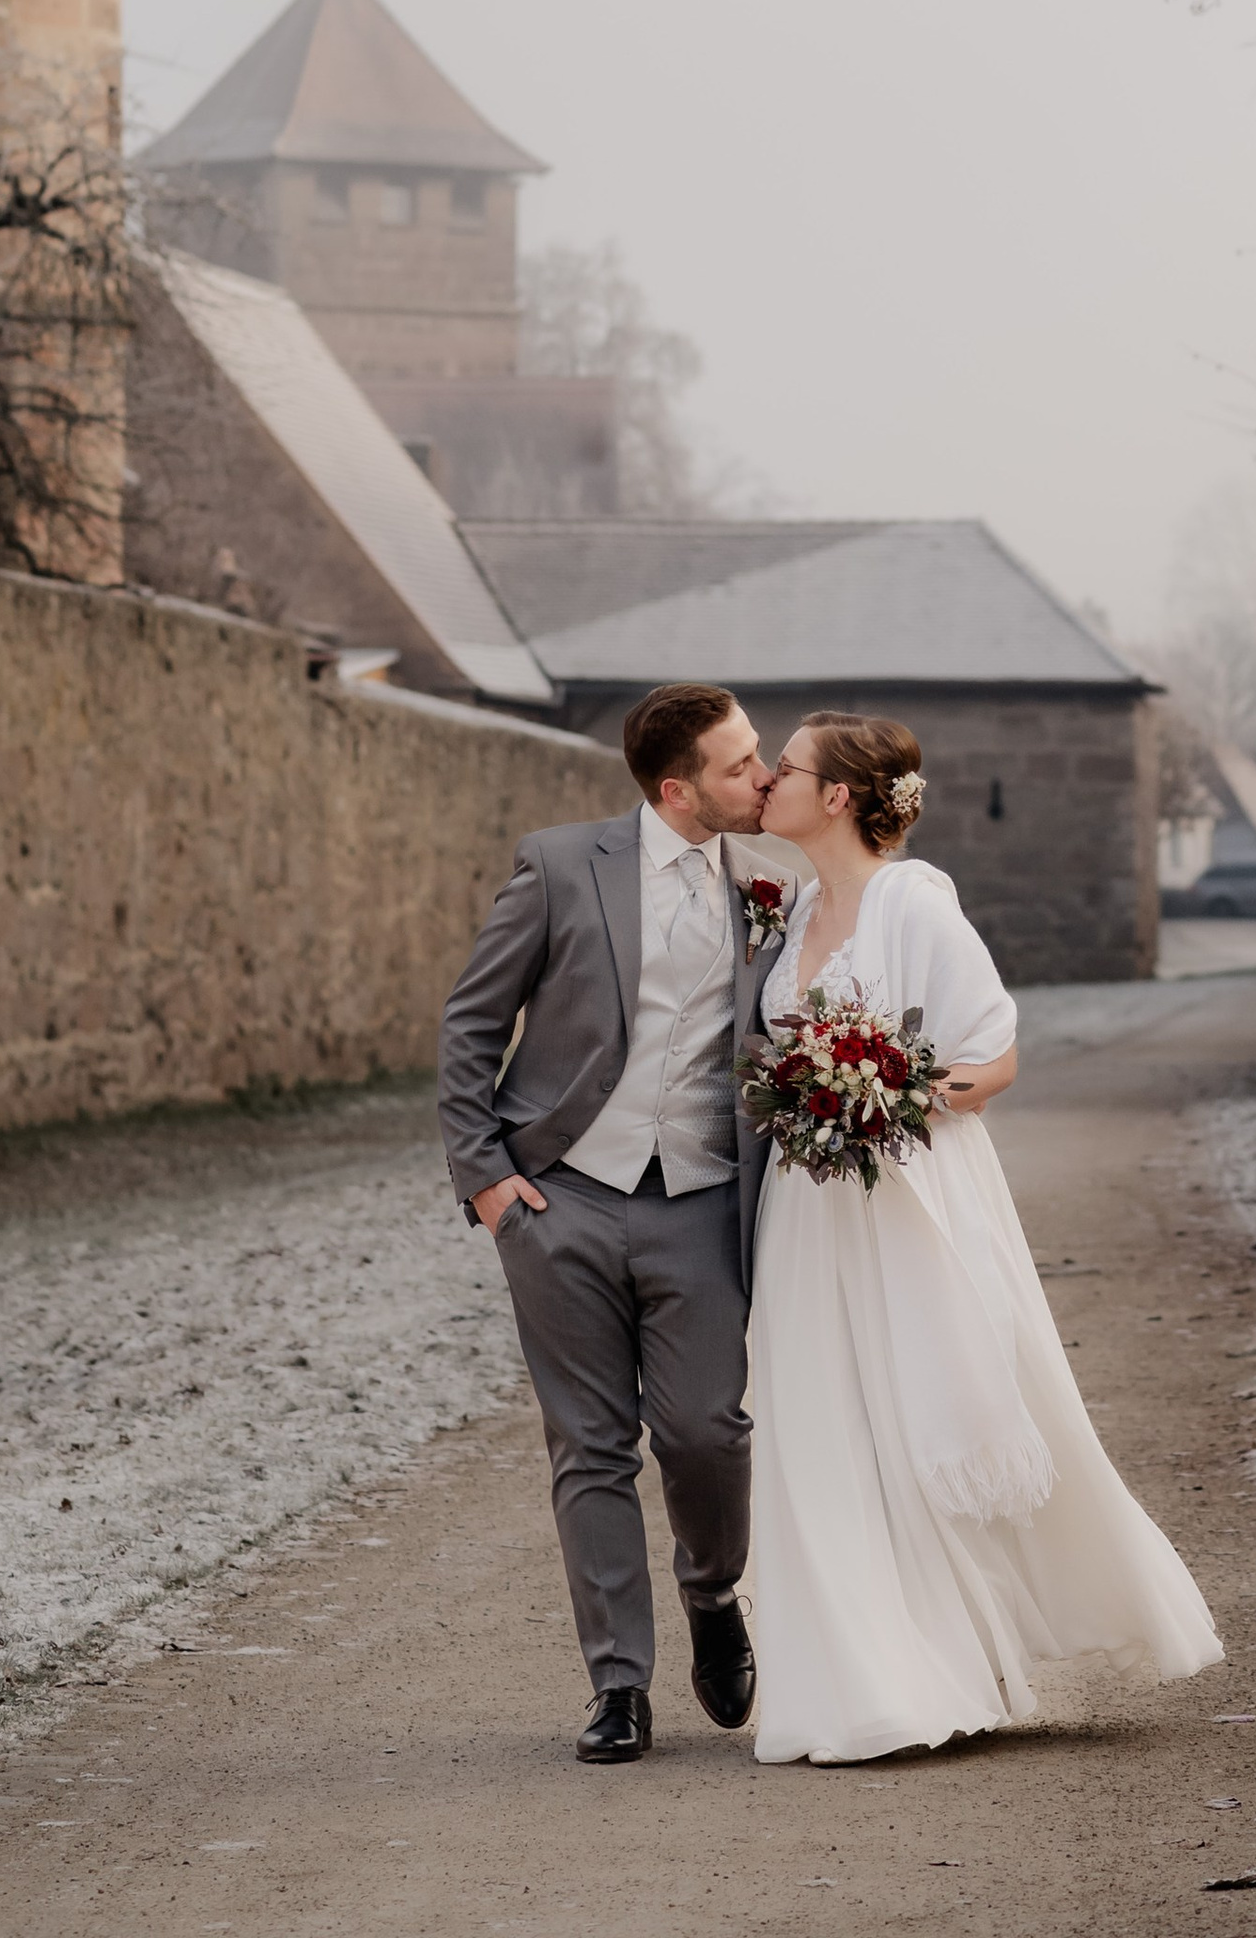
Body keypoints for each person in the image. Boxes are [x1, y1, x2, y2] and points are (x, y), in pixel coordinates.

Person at [745, 711, 1224, 1765]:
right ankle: (859, 1674)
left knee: (921, 1411)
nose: (765, 779)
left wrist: (874, 1105)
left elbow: (992, 1060)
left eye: (784, 766)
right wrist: (819, 1108)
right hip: (807, 1206)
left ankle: (952, 1656)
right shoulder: (793, 909)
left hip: (905, 1188)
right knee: (820, 1424)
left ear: (835, 796)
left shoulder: (912, 900)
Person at [439, 680, 780, 1766]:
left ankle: (712, 1588)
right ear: (676, 787)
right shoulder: (558, 864)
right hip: (563, 1200)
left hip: (702, 1199)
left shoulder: (772, 877)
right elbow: (469, 1023)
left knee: (704, 1430)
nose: (762, 775)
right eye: (739, 764)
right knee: (589, 1446)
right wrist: (488, 1178)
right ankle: (619, 1684)